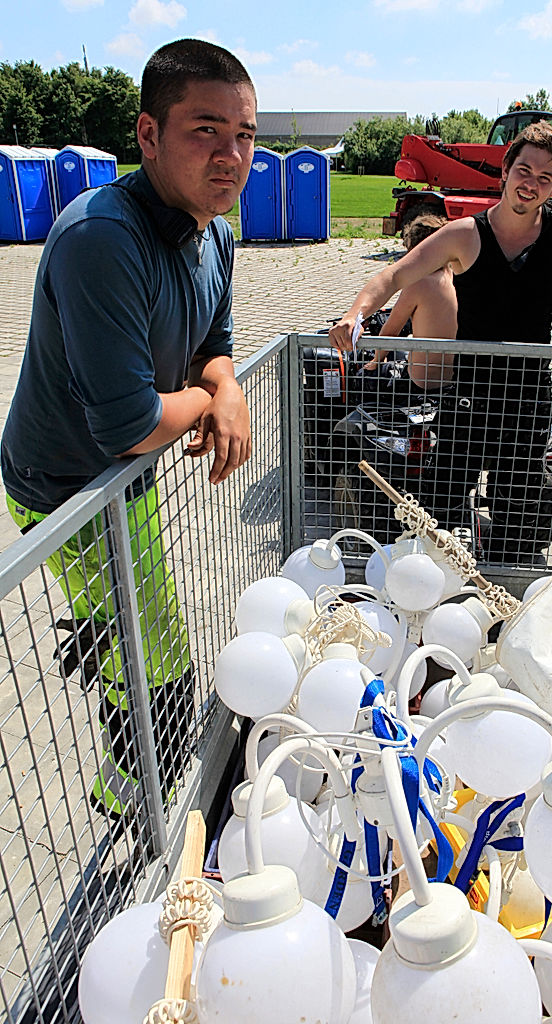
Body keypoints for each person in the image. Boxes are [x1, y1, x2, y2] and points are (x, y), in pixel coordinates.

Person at [0, 38, 256, 816]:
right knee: (150, 659)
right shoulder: (101, 239)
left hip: (125, 479)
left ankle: (146, 751)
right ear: (147, 135)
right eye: (204, 130)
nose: (231, 156)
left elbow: (214, 343)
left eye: (244, 134)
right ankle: (131, 802)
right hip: (65, 488)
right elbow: (130, 426)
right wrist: (205, 404)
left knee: (144, 633)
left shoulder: (216, 232)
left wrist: (230, 389)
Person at [330, 120, 552, 562]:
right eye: (524, 170)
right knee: (436, 512)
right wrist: (355, 316)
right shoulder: (465, 234)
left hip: (527, 396)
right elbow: (393, 274)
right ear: (505, 169)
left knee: (523, 519)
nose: (531, 184)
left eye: (545, 178)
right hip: (467, 397)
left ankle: (503, 584)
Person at [363, 212, 457, 387]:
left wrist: (376, 361)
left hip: (422, 380)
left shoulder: (418, 283)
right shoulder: (449, 273)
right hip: (450, 376)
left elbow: (391, 331)